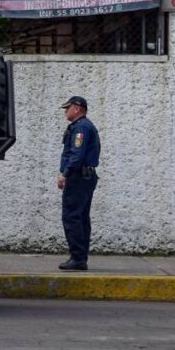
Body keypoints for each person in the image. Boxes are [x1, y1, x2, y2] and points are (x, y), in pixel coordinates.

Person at [57, 96, 100, 271]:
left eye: (68, 108)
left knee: (72, 217)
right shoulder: (82, 126)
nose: (65, 112)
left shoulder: (81, 127)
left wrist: (64, 174)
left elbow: (77, 155)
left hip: (78, 177)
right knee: (81, 218)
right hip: (84, 177)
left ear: (77, 109)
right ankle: (80, 257)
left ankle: (77, 258)